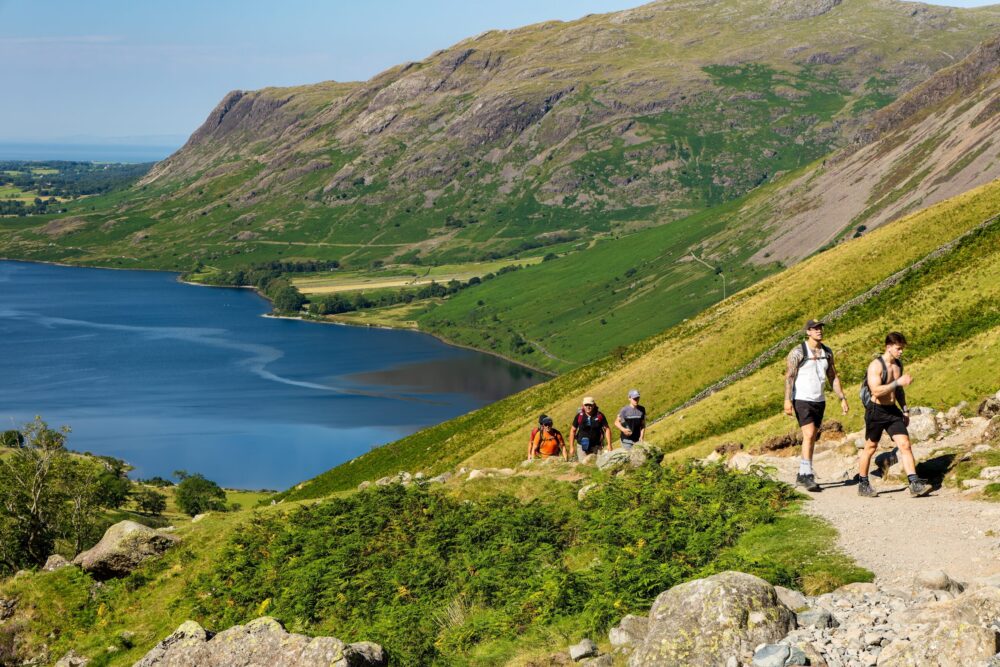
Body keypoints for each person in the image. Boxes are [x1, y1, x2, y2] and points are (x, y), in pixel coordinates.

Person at [857, 332, 931, 498]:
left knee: (905, 444)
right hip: (876, 411)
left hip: (892, 411)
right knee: (870, 447)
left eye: (902, 348)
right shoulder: (875, 366)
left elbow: (898, 390)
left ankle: (914, 483)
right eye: (898, 348)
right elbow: (876, 390)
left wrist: (904, 409)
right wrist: (897, 382)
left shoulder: (898, 365)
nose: (901, 352)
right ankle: (863, 483)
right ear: (888, 347)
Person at [784, 318, 849, 492]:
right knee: (809, 433)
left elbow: (832, 376)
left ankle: (802, 472)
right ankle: (807, 475)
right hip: (802, 398)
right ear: (808, 332)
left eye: (820, 328)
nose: (819, 331)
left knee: (812, 437)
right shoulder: (798, 352)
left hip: (819, 400)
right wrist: (787, 400)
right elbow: (790, 376)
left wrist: (842, 397)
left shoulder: (827, 352)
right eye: (814, 329)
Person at [569, 396, 613, 461]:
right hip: (581, 446)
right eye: (586, 405)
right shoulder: (579, 416)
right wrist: (571, 447)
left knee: (597, 464)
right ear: (583, 405)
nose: (588, 407)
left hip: (596, 446)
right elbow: (572, 431)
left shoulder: (599, 416)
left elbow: (607, 429)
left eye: (590, 405)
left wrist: (609, 444)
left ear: (594, 405)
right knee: (584, 464)